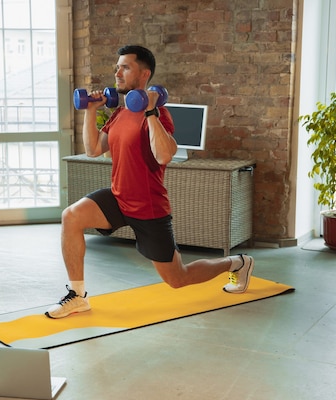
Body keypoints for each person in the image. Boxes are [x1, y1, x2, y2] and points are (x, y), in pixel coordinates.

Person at [45, 45, 254, 319]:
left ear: (144, 74)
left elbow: (164, 155)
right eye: (117, 66)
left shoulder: (158, 114)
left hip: (149, 208)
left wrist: (151, 112)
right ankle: (78, 295)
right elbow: (93, 150)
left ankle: (237, 263)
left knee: (178, 278)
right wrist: (90, 110)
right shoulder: (119, 114)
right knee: (71, 216)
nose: (117, 72)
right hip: (119, 198)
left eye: (125, 67)